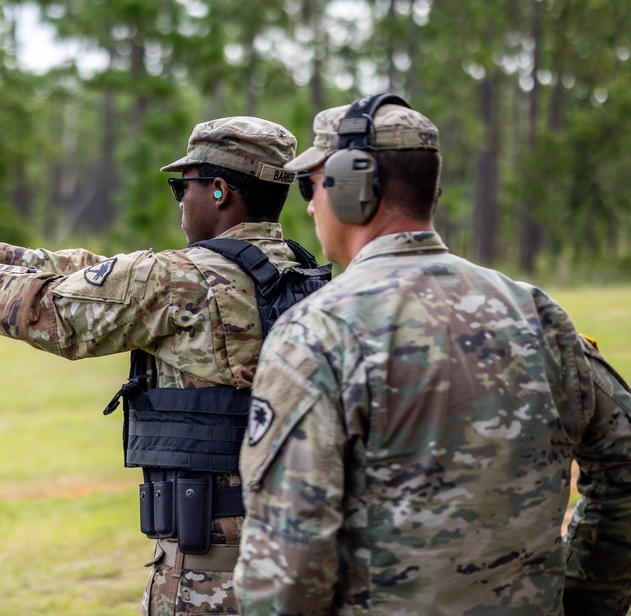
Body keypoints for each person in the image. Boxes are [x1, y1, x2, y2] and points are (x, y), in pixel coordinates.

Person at [0, 116, 330, 615]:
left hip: (211, 572)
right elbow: (99, 276)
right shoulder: (303, 272)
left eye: (183, 187)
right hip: (295, 553)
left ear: (220, 191)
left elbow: (48, 309)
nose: (181, 200)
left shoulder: (175, 280)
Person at [234, 94, 631, 615]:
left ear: (353, 188)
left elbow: (287, 569)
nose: (309, 204)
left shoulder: (318, 332)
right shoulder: (539, 315)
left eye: (313, 186)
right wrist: (584, 602)